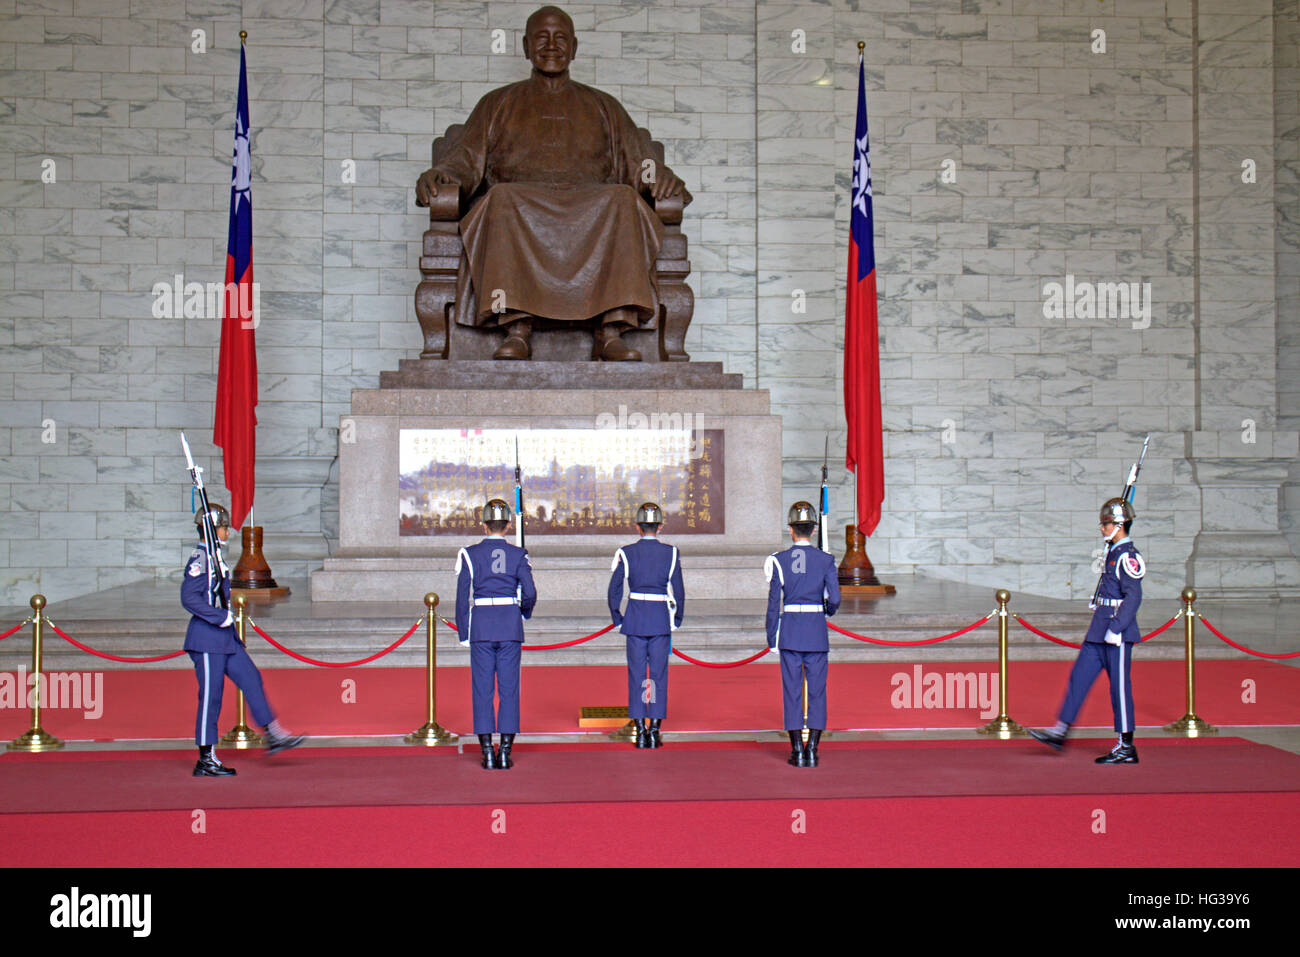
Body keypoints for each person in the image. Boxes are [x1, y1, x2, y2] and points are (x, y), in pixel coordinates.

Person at [414, 5, 691, 361]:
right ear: (526, 46)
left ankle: (610, 330)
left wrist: (660, 177)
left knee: (623, 199)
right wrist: (443, 174)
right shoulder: (497, 103)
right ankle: (516, 327)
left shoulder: (603, 105)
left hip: (592, 205)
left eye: (560, 38)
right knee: (501, 198)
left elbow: (637, 163)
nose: (551, 45)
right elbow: (466, 159)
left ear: (574, 48)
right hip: (520, 204)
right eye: (542, 38)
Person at [183, 504, 302, 777]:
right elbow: (189, 598)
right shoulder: (201, 559)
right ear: (212, 530)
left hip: (225, 638)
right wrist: (219, 617)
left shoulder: (215, 557)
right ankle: (206, 758)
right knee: (211, 698)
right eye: (223, 527)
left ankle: (273, 733)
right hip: (207, 639)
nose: (228, 531)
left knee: (251, 677)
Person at [1029, 497, 1145, 764]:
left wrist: (1117, 627)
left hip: (1116, 632)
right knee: (1078, 677)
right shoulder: (1113, 551)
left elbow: (1134, 597)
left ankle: (1126, 746)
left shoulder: (1129, 556)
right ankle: (1060, 730)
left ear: (1119, 525)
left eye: (1106, 524)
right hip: (1098, 630)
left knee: (1119, 689)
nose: (1102, 528)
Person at [455, 499, 538, 769]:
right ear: (508, 525)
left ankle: (486, 751)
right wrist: (522, 612)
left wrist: (463, 631)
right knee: (509, 689)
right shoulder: (518, 554)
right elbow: (530, 592)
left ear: (483, 525)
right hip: (509, 625)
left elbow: (460, 597)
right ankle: (505, 750)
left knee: (482, 689)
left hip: (480, 626)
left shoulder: (469, 554)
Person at [765, 502, 841, 767]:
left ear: (790, 530)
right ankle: (813, 750)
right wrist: (826, 612)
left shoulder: (779, 560)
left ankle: (797, 748)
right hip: (816, 631)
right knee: (818, 691)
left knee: (792, 690)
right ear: (813, 529)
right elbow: (835, 598)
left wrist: (771, 636)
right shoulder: (826, 559)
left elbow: (774, 603)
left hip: (791, 632)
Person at [608, 503, 684, 748]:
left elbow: (614, 590)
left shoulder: (626, 552)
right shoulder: (671, 552)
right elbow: (679, 591)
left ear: (637, 526)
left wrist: (617, 616)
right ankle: (655, 729)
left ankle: (640, 728)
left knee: (638, 675)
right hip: (660, 620)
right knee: (659, 675)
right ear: (660, 526)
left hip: (635, 620)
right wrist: (677, 618)